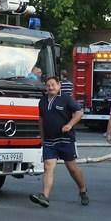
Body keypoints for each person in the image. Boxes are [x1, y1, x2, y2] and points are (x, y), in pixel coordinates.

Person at [30, 76, 89, 208]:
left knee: (72, 169)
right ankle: (44, 196)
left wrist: (69, 125)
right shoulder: (42, 101)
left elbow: (79, 112)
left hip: (65, 139)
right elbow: (41, 120)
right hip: (50, 141)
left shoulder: (66, 98)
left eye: (53, 85)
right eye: (48, 85)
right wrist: (42, 137)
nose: (50, 87)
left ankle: (83, 190)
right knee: (48, 167)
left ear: (59, 85)